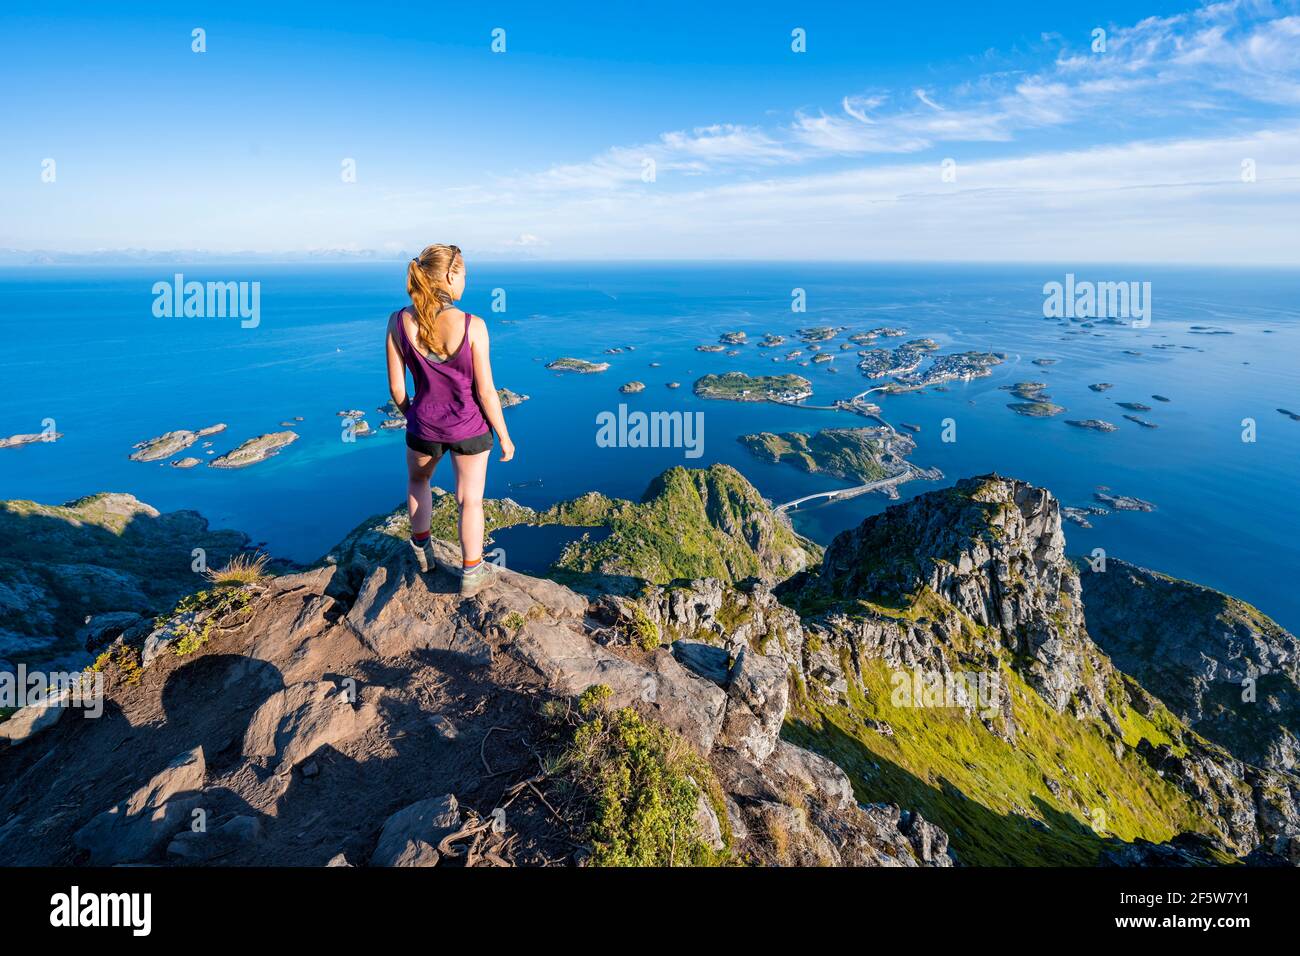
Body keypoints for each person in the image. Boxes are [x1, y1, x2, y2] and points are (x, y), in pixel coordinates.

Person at [385, 243, 515, 595]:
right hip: (470, 428)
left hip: (423, 427)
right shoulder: (473, 325)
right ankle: (471, 573)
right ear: (449, 275)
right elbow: (487, 391)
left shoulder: (398, 322)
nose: (465, 283)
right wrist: (504, 436)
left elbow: (397, 387)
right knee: (469, 500)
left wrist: (413, 415)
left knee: (418, 483)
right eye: (464, 275)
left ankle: (423, 552)